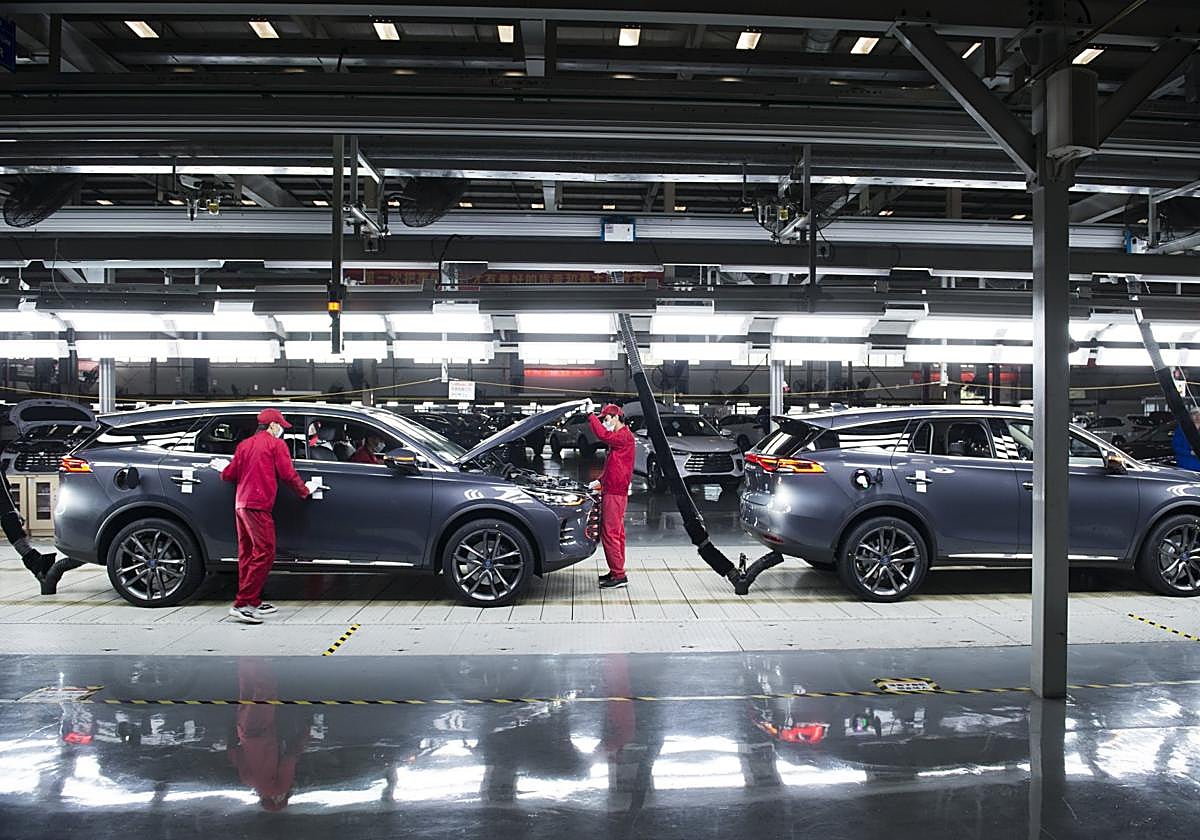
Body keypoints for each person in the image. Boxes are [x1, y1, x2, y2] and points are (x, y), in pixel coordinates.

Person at [214, 408, 310, 624]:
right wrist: (305, 491)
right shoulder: (276, 445)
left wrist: (222, 468)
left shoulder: (244, 445)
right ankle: (242, 604)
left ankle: (252, 600)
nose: (282, 430)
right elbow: (287, 474)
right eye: (281, 426)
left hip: (241, 504)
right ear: (273, 425)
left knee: (247, 554)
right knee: (265, 551)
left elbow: (229, 474)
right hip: (258, 505)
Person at [587, 403, 635, 589]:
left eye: (606, 419)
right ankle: (616, 571)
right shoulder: (621, 438)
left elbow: (603, 435)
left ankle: (619, 575)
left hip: (615, 493)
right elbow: (614, 465)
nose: (605, 423)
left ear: (616, 417)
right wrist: (600, 481)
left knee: (610, 533)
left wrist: (591, 415)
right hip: (613, 490)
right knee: (617, 533)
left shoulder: (623, 436)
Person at [1173, 407, 1200, 471]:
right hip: (1186, 464)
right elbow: (1176, 447)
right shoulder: (1182, 429)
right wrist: (1190, 452)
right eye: (1194, 414)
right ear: (1190, 416)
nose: (1197, 416)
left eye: (1199, 414)